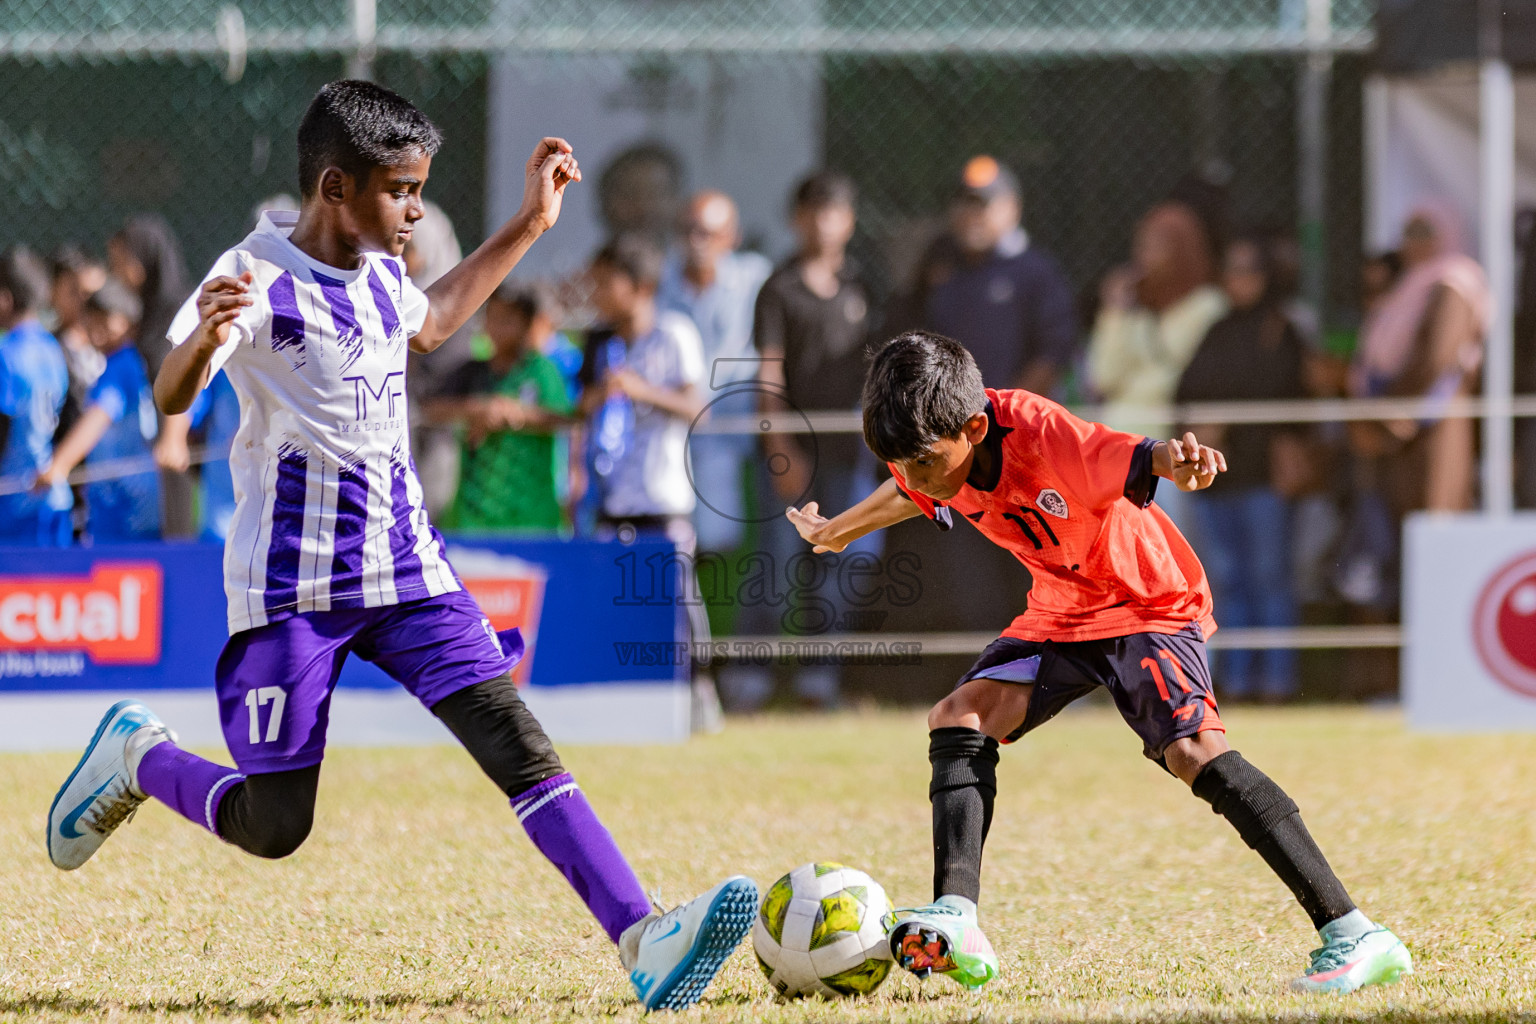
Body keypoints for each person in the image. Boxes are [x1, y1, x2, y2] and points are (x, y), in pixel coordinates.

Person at [44, 80, 755, 1013]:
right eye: (402, 189)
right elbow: (176, 392)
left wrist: (532, 224)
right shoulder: (255, 274)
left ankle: (642, 936)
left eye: (421, 186)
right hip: (292, 590)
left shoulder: (384, 268)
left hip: (411, 572)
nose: (417, 208)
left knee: (518, 744)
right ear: (335, 186)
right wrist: (201, 342)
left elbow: (437, 320)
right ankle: (141, 758)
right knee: (275, 826)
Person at [785, 331, 1411, 996]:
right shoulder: (937, 447)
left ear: (974, 426)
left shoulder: (1043, 434)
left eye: (923, 463)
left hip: (1147, 602)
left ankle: (1354, 932)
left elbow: (1137, 456)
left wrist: (1182, 462)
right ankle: (957, 917)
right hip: (1063, 610)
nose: (913, 478)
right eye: (896, 463)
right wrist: (837, 531)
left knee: (1195, 752)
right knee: (959, 716)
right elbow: (912, 491)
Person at [727, 170, 877, 710]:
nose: (823, 223)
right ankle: (750, 678)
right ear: (796, 219)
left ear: (849, 222)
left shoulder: (863, 286)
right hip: (790, 454)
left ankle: (821, 680)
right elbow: (769, 373)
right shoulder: (778, 288)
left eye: (834, 212)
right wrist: (778, 443)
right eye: (813, 211)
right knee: (776, 563)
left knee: (844, 566)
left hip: (848, 456)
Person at [1175, 235, 1308, 701]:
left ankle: (1276, 683)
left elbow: (1284, 389)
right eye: (1233, 270)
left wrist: (1225, 416)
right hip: (1218, 483)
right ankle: (1232, 681)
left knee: (1269, 579)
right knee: (1225, 583)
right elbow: (1186, 390)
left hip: (1264, 481)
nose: (1241, 280)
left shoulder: (1283, 329)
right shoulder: (1218, 330)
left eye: (1250, 270)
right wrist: (1205, 426)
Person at [896, 156, 1077, 397]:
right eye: (964, 203)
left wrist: (1003, 412)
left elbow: (1053, 355)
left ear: (1012, 208)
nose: (971, 215)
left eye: (982, 205)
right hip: (946, 420)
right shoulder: (937, 264)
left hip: (1009, 423)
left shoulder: (1037, 272)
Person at [657, 190, 772, 554]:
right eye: (689, 230)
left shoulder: (756, 279)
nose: (696, 242)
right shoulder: (657, 284)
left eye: (707, 232)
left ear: (731, 237)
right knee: (666, 546)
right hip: (668, 433)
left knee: (720, 544)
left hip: (730, 436)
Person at [429, 281, 575, 533]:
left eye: (507, 319)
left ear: (527, 325)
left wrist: (513, 413)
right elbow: (432, 409)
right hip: (476, 512)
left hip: (533, 514)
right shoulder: (471, 372)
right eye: (491, 317)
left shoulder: (542, 371)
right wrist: (478, 410)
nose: (496, 326)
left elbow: (562, 417)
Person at [35, 279, 162, 542]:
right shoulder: (127, 362)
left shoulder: (121, 365)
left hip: (127, 506)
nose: (97, 329)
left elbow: (98, 417)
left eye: (107, 319)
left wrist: (59, 465)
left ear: (129, 322)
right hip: (126, 502)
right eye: (91, 320)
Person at [109, 214, 197, 537]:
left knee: (179, 528)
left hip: (182, 443)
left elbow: (190, 373)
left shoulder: (181, 313)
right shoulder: (148, 314)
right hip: (154, 445)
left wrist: (173, 438)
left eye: (121, 262)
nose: (116, 272)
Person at [0, 247, 72, 545]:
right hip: (54, 495)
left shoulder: (8, 354)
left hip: (14, 501)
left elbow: (3, 425)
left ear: (5, 298)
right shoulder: (53, 349)